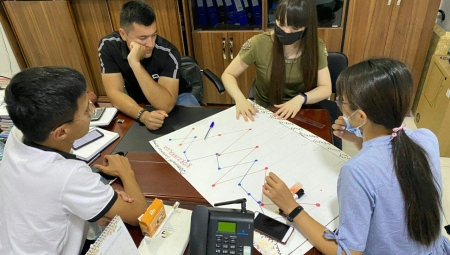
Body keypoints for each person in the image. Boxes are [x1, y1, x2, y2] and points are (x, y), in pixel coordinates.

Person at [263, 58, 450, 254]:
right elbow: (390, 169)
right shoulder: (426, 138)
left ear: (361, 117)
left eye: (342, 101)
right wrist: (358, 140)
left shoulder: (356, 172)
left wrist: (291, 207)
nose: (340, 105)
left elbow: (348, 252)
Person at [0, 67, 147, 254]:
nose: (92, 112)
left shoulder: (18, 133)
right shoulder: (67, 174)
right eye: (87, 111)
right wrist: (126, 172)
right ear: (61, 132)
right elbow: (138, 213)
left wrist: (92, 205)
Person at [222, 0, 342, 148]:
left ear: (306, 26)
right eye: (281, 23)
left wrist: (300, 99)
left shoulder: (315, 46)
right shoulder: (258, 43)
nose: (286, 31)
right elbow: (228, 75)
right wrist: (240, 99)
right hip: (266, 110)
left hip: (301, 110)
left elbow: (325, 88)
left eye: (295, 27)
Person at [98, 0, 199, 131]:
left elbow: (165, 105)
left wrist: (135, 64)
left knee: (195, 131)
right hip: (137, 100)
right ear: (123, 34)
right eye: (142, 38)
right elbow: (114, 93)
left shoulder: (168, 52)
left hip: (176, 98)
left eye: (154, 35)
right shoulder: (108, 46)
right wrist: (143, 115)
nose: (150, 44)